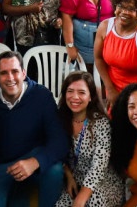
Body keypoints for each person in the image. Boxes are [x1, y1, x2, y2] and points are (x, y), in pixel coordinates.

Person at [0, 52, 67, 207]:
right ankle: (16, 193)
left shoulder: (41, 95)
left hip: (31, 160)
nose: (10, 78)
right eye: (4, 73)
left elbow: (60, 141)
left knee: (55, 170)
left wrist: (36, 161)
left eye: (15, 72)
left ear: (24, 73)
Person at [55, 70, 125, 207]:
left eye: (81, 92)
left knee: (93, 203)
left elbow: (99, 166)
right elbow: (55, 151)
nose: (75, 97)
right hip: (75, 179)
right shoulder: (60, 119)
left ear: (90, 97)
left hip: (103, 181)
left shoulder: (101, 123)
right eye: (70, 91)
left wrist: (81, 198)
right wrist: (68, 175)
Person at [94, 0, 137, 109]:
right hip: (112, 87)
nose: (124, 12)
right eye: (121, 6)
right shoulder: (105, 26)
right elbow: (98, 58)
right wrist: (110, 89)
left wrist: (134, 98)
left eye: (131, 9)